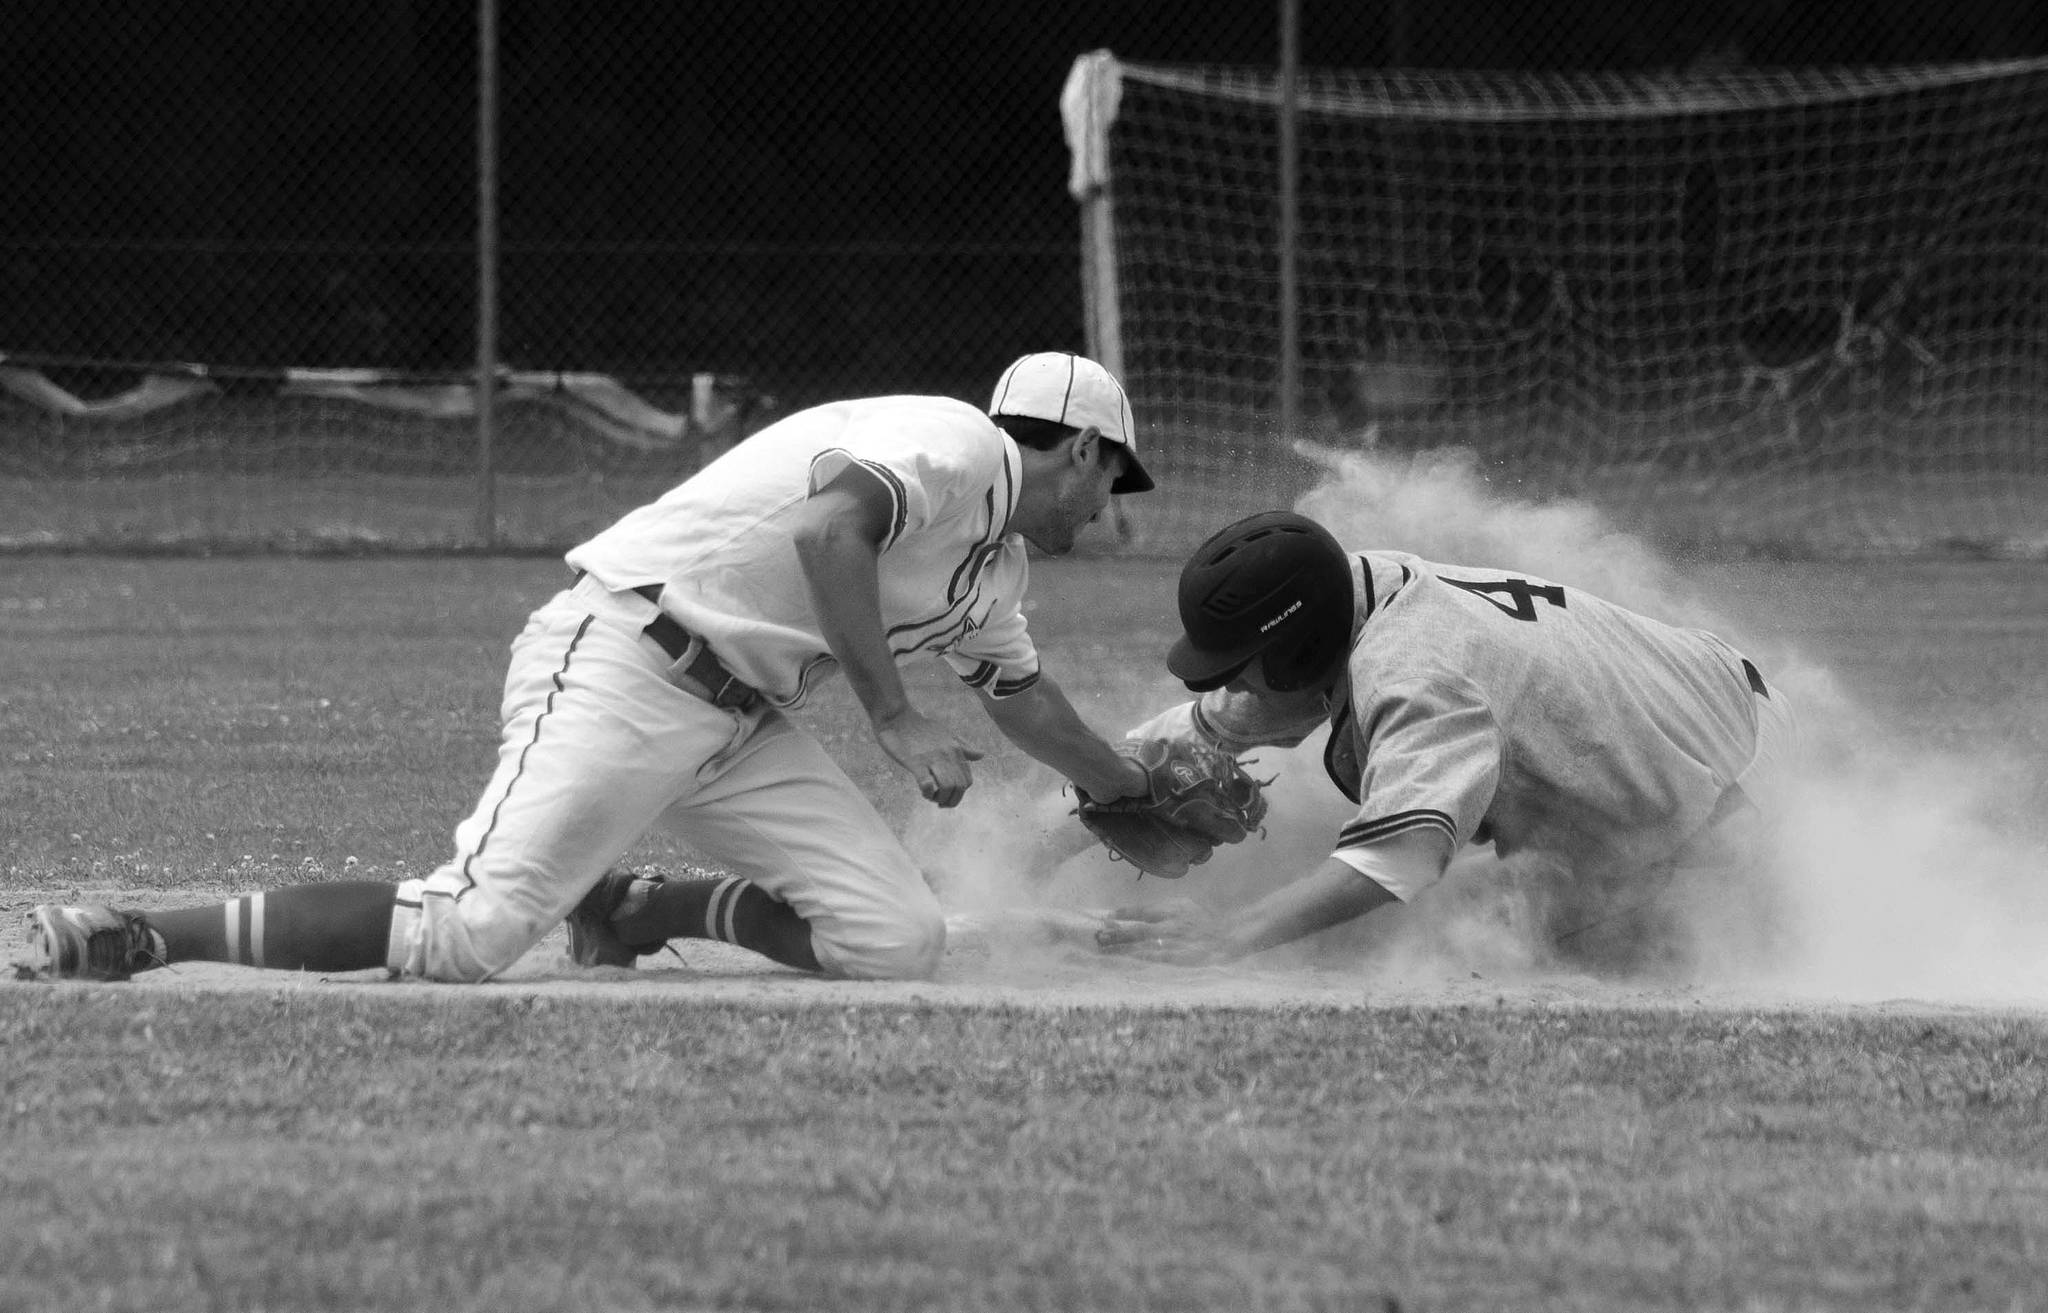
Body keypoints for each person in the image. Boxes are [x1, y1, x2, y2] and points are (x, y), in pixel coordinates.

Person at [28, 351, 1157, 983]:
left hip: (736, 724)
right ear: (1081, 447)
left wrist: (1131, 790)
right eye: (1115, 477)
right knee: (469, 934)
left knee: (893, 938)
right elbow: (830, 532)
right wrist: (897, 717)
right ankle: (143, 932)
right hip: (628, 654)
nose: (1112, 505)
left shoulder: (995, 567)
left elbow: (1027, 701)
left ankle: (635, 909)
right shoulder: (958, 443)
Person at [1094, 509, 1798, 971]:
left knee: (1488, 951)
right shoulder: (1351, 592)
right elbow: (1200, 728)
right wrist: (1061, 826)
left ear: (1294, 656)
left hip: (1732, 789)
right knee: (1432, 925)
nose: (1230, 684)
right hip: (1704, 705)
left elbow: (1398, 857)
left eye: (1236, 666)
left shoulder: (1416, 673)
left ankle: (1765, 917)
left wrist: (1230, 934)